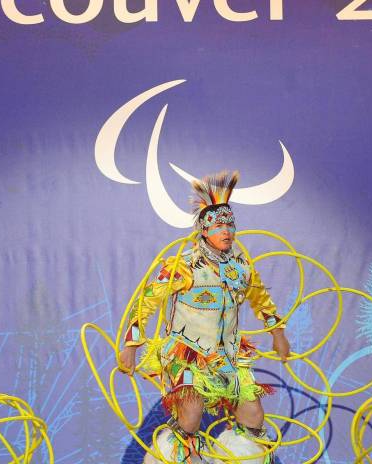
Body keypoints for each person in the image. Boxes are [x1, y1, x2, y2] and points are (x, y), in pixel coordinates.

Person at [118, 171, 290, 463]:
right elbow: (145, 303)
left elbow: (262, 301)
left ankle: (236, 457)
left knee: (253, 416)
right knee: (190, 417)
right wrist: (131, 345)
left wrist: (278, 334)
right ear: (204, 230)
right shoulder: (182, 266)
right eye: (219, 225)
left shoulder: (241, 268)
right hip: (187, 355)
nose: (227, 231)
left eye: (230, 225)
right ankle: (174, 456)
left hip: (228, 356)